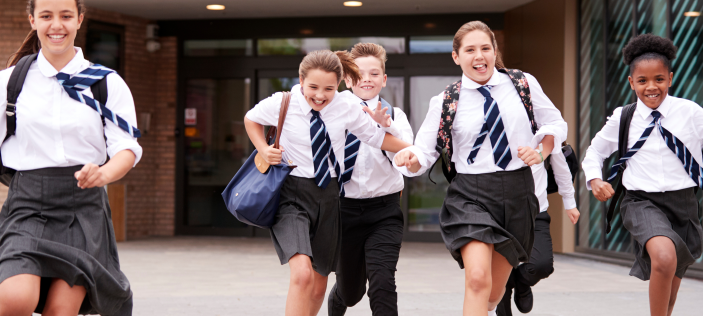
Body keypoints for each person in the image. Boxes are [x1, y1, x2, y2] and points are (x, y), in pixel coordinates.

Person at [394, 21, 567, 316]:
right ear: (456, 56)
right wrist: (411, 158)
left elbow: (555, 123)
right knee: (476, 279)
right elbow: (423, 150)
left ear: (495, 51)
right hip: (470, 194)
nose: (479, 56)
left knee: (493, 292)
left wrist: (541, 151)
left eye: (485, 48)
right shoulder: (446, 100)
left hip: (518, 193)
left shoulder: (522, 84)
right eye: (470, 50)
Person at [0, 0, 142, 315]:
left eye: (66, 16)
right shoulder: (10, 83)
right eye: (46, 16)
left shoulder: (104, 82)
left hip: (84, 207)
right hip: (27, 205)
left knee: (60, 310)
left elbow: (127, 147)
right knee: (14, 299)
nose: (56, 25)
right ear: (32, 20)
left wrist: (104, 174)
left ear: (79, 20)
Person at [244, 49, 411, 316]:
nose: (320, 96)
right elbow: (251, 119)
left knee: (320, 284)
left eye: (328, 89)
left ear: (339, 85)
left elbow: (377, 138)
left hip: (329, 196)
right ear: (300, 80)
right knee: (302, 275)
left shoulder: (345, 106)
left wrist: (415, 151)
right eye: (313, 87)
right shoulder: (283, 102)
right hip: (292, 196)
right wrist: (264, 149)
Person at [582, 33, 703, 316]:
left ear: (670, 79)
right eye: (643, 81)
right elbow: (595, 153)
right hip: (641, 202)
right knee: (662, 257)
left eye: (659, 79)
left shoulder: (691, 113)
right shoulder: (624, 117)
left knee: (669, 292)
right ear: (631, 82)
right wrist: (595, 179)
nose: (652, 87)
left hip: (684, 205)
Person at [327, 43, 414, 316]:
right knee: (351, 293)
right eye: (359, 74)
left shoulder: (395, 115)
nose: (366, 79)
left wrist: (385, 126)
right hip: (344, 210)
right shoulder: (332, 111)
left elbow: (411, 157)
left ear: (384, 79)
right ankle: (340, 297)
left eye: (374, 73)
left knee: (382, 282)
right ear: (347, 78)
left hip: (384, 211)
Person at [497, 145, 580, 316]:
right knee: (497, 279)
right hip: (498, 212)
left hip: (536, 211)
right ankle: (503, 285)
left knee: (542, 265)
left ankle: (518, 282)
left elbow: (561, 168)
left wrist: (570, 203)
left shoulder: (543, 131)